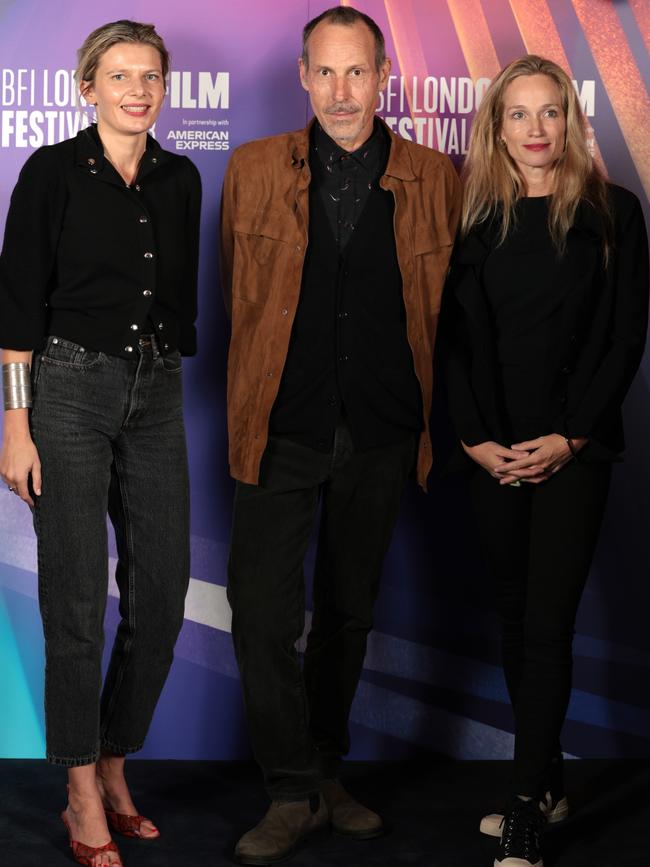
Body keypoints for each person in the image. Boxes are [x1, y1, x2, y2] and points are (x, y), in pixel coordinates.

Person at [220, 5, 460, 864]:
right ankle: (289, 788)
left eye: (356, 71)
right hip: (280, 425)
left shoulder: (440, 176)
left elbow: (455, 314)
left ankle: (325, 772)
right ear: (301, 76)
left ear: (384, 75)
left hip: (388, 430)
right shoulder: (252, 169)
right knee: (259, 614)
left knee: (349, 614)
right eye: (324, 71)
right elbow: (238, 299)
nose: (340, 90)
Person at [0, 19, 201, 867]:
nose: (136, 88)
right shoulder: (51, 172)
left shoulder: (180, 178)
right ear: (87, 87)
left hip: (155, 390)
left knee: (162, 589)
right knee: (76, 601)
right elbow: (15, 313)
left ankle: (116, 757)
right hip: (67, 390)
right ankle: (81, 786)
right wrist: (16, 424)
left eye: (150, 75)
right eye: (119, 75)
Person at [441, 54, 648, 867]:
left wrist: (571, 438)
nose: (535, 130)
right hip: (494, 450)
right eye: (518, 114)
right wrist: (474, 438)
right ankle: (549, 776)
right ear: (497, 126)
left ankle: (526, 806)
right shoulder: (476, 219)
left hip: (573, 451)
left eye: (549, 113)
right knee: (518, 616)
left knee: (549, 625)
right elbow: (456, 341)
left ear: (571, 120)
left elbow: (624, 338)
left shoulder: (614, 214)